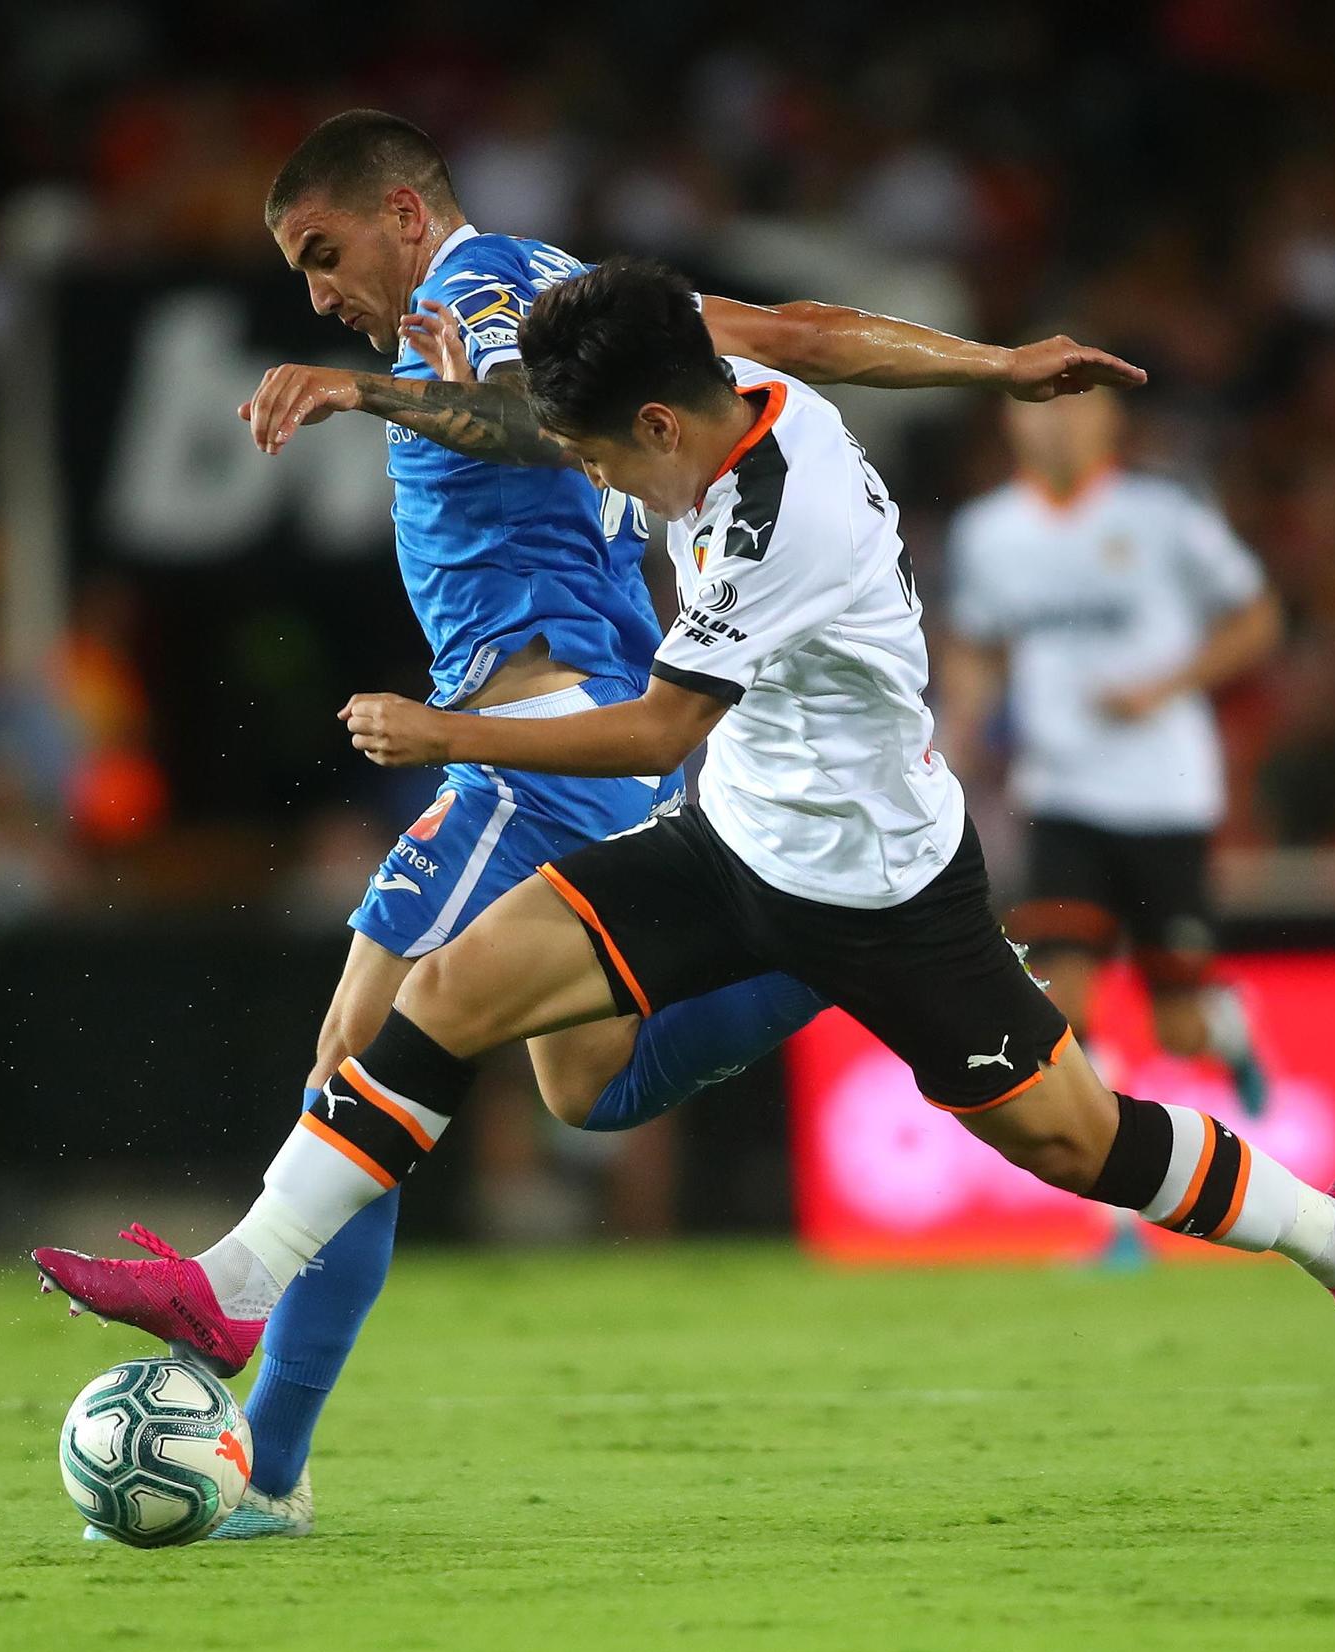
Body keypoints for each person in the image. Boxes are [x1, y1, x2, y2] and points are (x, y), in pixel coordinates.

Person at [35, 261, 1335, 1417]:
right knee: (448, 990)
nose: (589, 477)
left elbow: (652, 731)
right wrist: (998, 364)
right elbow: (809, 328)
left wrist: (446, 734)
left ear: (654, 426)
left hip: (884, 891)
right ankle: (235, 1284)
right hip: (733, 842)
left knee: (1079, 1143)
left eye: (589, 454)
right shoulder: (725, 390)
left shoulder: (780, 521)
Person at [142, 109, 1152, 1539]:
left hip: (544, 735)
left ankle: (270, 1463)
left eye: (324, 254)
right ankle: (830, 944)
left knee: (359, 1063)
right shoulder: (573, 290)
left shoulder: (476, 296)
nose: (318, 295)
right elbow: (797, 329)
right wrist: (992, 362)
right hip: (572, 726)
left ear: (406, 218)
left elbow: (531, 425)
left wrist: (362, 393)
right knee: (580, 1083)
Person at [940, 389, 1281, 1121]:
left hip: (1166, 793)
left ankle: (1227, 1026)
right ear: (1011, 420)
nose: (1056, 419)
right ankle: (1118, 1225)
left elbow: (1258, 617)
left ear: (1110, 419)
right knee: (1063, 1007)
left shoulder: (1165, 515)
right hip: (1059, 796)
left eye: (1073, 403)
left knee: (1178, 1026)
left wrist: (1167, 685)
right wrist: (957, 730)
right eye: (1037, 404)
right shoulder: (988, 532)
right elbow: (976, 646)